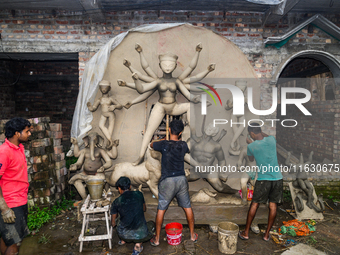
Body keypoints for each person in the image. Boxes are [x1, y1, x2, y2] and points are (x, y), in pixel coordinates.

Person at [118, 43, 215, 165]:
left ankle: (194, 135)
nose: (167, 67)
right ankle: (141, 156)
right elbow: (142, 89)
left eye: (171, 65)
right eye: (164, 64)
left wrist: (201, 100)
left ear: (175, 66)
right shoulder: (158, 81)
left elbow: (189, 95)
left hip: (174, 107)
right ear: (160, 65)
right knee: (149, 131)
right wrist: (136, 79)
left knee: (189, 105)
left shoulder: (177, 81)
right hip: (160, 107)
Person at [150, 119, 198, 246]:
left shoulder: (163, 144)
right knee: (187, 207)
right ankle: (193, 235)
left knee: (161, 209)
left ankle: (157, 239)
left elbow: (151, 145)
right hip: (181, 180)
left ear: (169, 129)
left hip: (168, 181)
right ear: (181, 132)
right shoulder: (183, 145)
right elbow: (187, 150)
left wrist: (163, 139)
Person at [238, 123, 283, 242]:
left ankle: (246, 232)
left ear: (251, 133)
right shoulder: (272, 140)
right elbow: (266, 136)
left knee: (255, 204)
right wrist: (259, 133)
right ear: (260, 130)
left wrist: (251, 143)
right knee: (273, 206)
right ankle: (267, 234)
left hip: (264, 179)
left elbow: (251, 159)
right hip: (277, 178)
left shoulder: (251, 146)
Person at [0, 117, 31, 255]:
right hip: (11, 203)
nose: (29, 134)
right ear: (17, 134)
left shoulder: (19, 148)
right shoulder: (4, 152)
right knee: (14, 245)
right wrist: (4, 208)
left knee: (6, 240)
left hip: (19, 200)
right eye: (27, 131)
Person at [111, 177, 154, 255]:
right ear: (130, 186)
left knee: (118, 220)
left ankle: (123, 240)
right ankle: (138, 245)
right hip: (140, 235)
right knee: (151, 224)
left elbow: (113, 223)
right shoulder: (139, 194)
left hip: (123, 235)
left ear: (119, 189)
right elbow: (144, 209)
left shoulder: (116, 202)